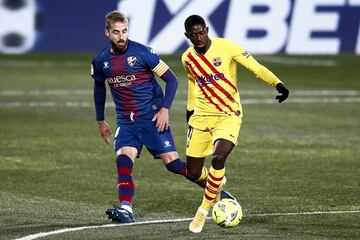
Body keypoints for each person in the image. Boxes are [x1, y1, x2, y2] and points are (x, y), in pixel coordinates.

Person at [90, 11, 232, 223]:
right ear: (107, 32)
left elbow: (172, 80)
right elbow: (99, 88)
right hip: (126, 122)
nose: (121, 36)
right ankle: (126, 210)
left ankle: (216, 188)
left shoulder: (143, 53)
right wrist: (100, 120)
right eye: (116, 32)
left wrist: (164, 110)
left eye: (125, 31)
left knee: (173, 164)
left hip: (152, 118)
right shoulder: (101, 61)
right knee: (122, 160)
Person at [182, 15, 289, 233]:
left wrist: (277, 83)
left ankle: (203, 211)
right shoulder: (187, 58)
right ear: (187, 36)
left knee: (218, 157)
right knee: (193, 173)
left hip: (228, 113)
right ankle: (216, 184)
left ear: (207, 29)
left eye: (202, 32)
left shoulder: (226, 47)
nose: (199, 37)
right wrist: (189, 111)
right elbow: (192, 85)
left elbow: (255, 67)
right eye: (194, 34)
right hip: (201, 116)